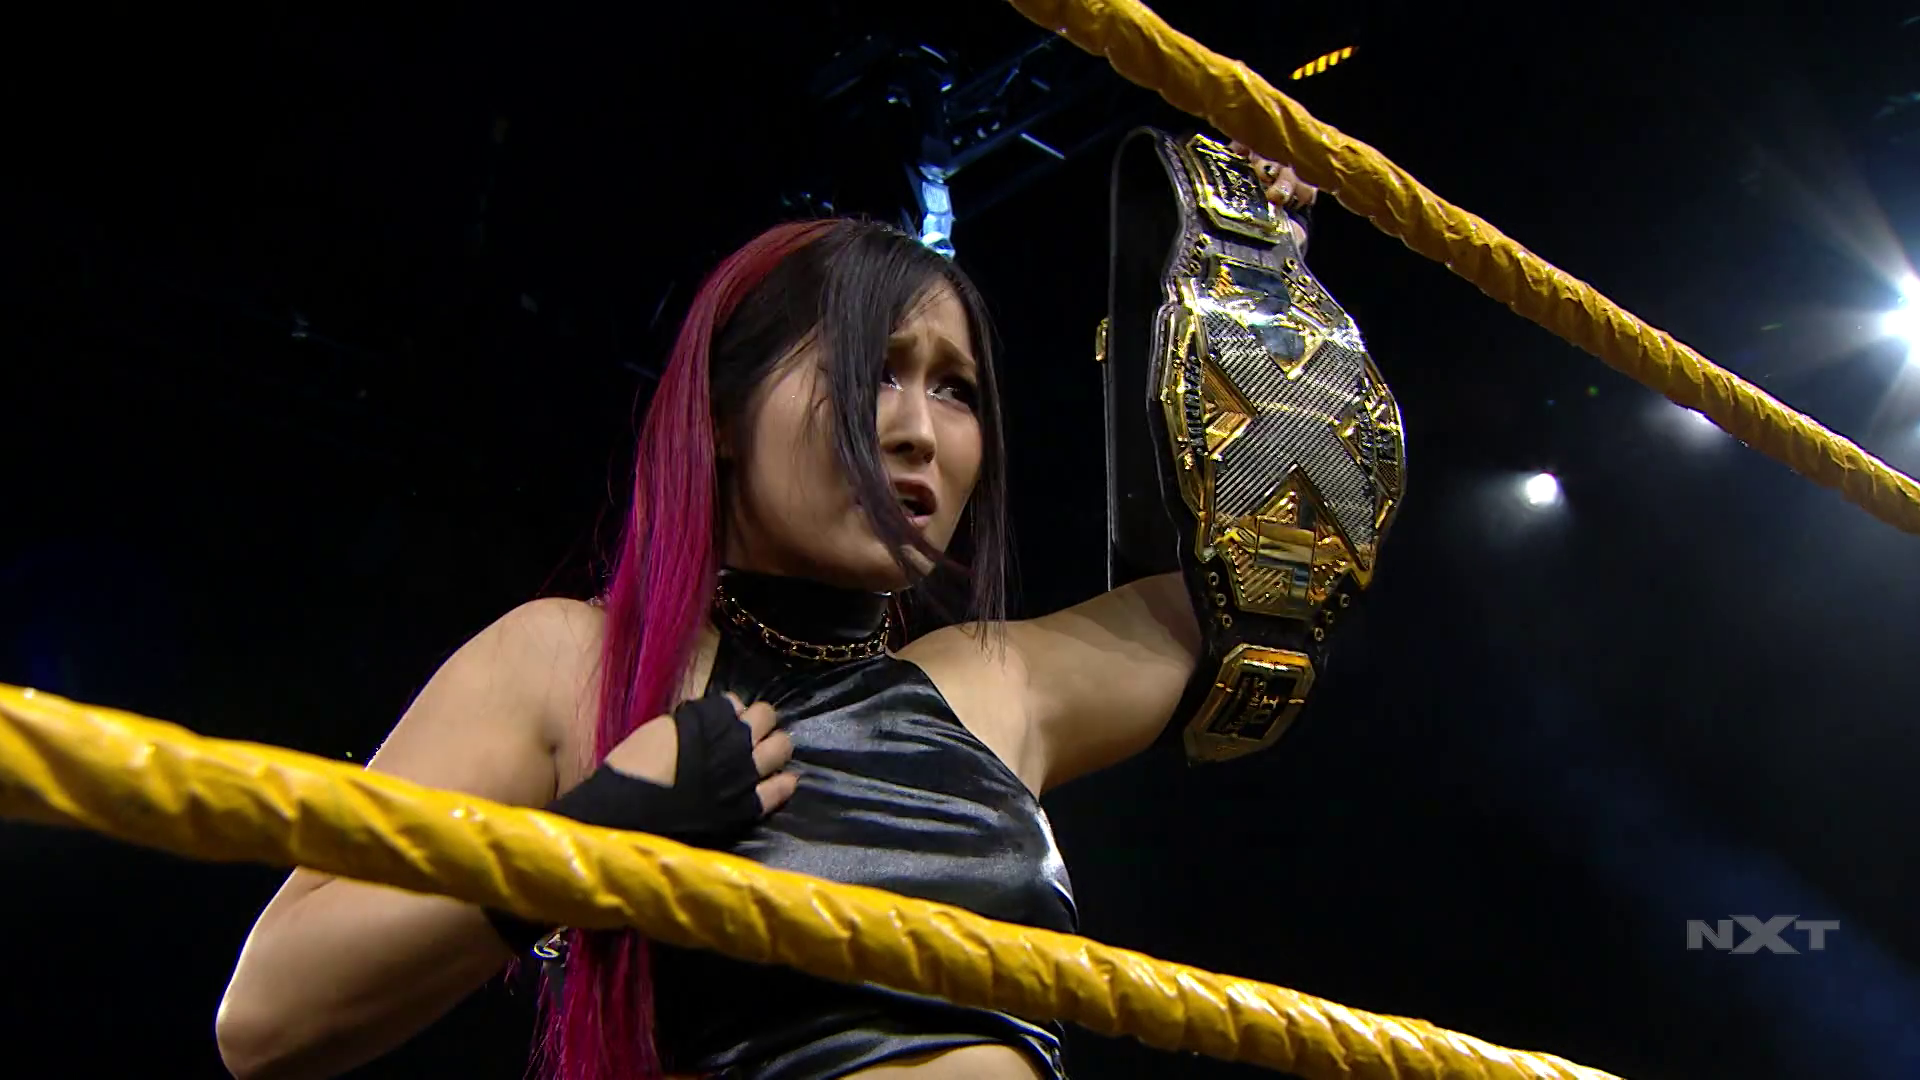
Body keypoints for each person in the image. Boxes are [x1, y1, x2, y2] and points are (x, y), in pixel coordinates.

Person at [215, 150, 1318, 1080]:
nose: (918, 431)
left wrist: (1254, 279)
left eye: (956, 389)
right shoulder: (573, 664)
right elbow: (266, 1017)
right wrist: (591, 839)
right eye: (871, 371)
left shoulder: (998, 683)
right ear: (724, 416)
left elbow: (1276, 583)